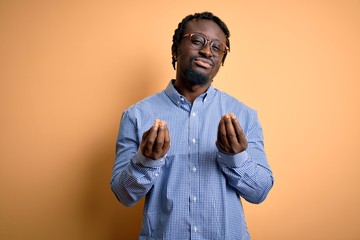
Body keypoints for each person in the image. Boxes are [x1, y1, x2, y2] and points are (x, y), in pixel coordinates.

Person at [110, 11, 274, 240]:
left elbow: (260, 192)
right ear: (175, 49)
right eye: (197, 40)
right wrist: (145, 160)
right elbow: (123, 194)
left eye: (218, 47)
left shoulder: (244, 116)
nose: (207, 51)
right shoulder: (136, 116)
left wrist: (236, 157)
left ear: (222, 60)